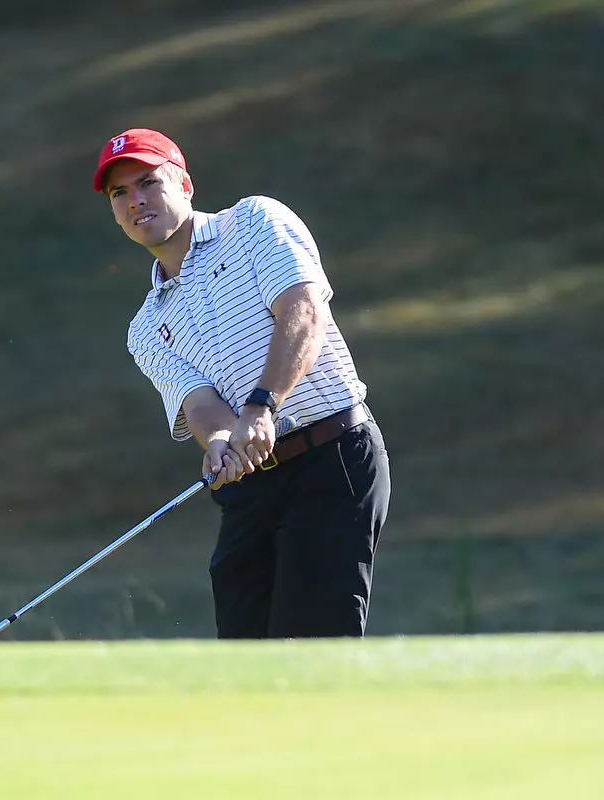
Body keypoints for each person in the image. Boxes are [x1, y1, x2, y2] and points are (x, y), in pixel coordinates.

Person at [92, 127, 392, 639]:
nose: (136, 200)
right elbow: (199, 403)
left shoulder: (255, 222)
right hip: (253, 489)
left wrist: (260, 408)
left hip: (331, 458)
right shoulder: (144, 328)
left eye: (148, 182)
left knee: (312, 644)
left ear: (184, 183)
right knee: (243, 653)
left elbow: (303, 313)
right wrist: (222, 442)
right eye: (120, 193)